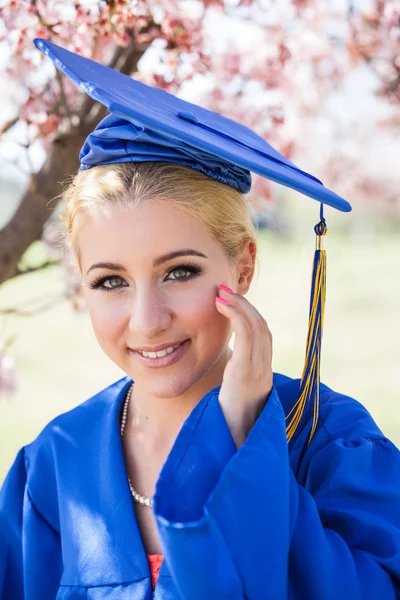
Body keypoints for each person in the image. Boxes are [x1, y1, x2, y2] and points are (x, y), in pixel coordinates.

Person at [0, 39, 399, 600]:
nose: (147, 320)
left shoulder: (329, 446)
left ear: (243, 266)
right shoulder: (55, 466)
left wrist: (238, 438)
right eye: (110, 281)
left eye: (179, 272)